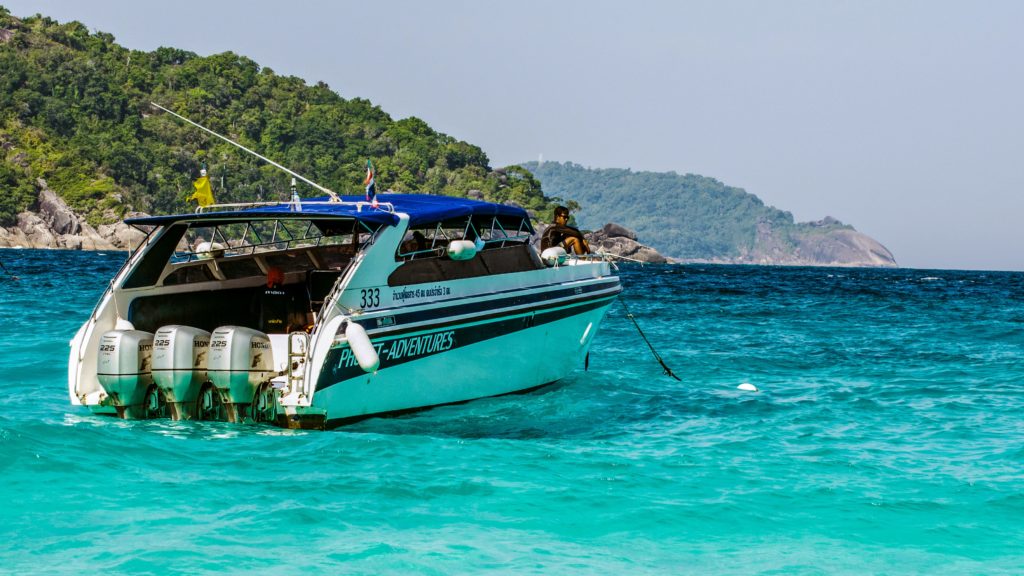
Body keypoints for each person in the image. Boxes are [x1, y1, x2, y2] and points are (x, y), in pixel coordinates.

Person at [256, 267, 296, 333]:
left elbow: (253, 309)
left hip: (264, 328)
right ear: (282, 277)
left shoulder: (261, 290)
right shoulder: (287, 291)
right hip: (281, 327)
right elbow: (290, 310)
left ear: (269, 276)